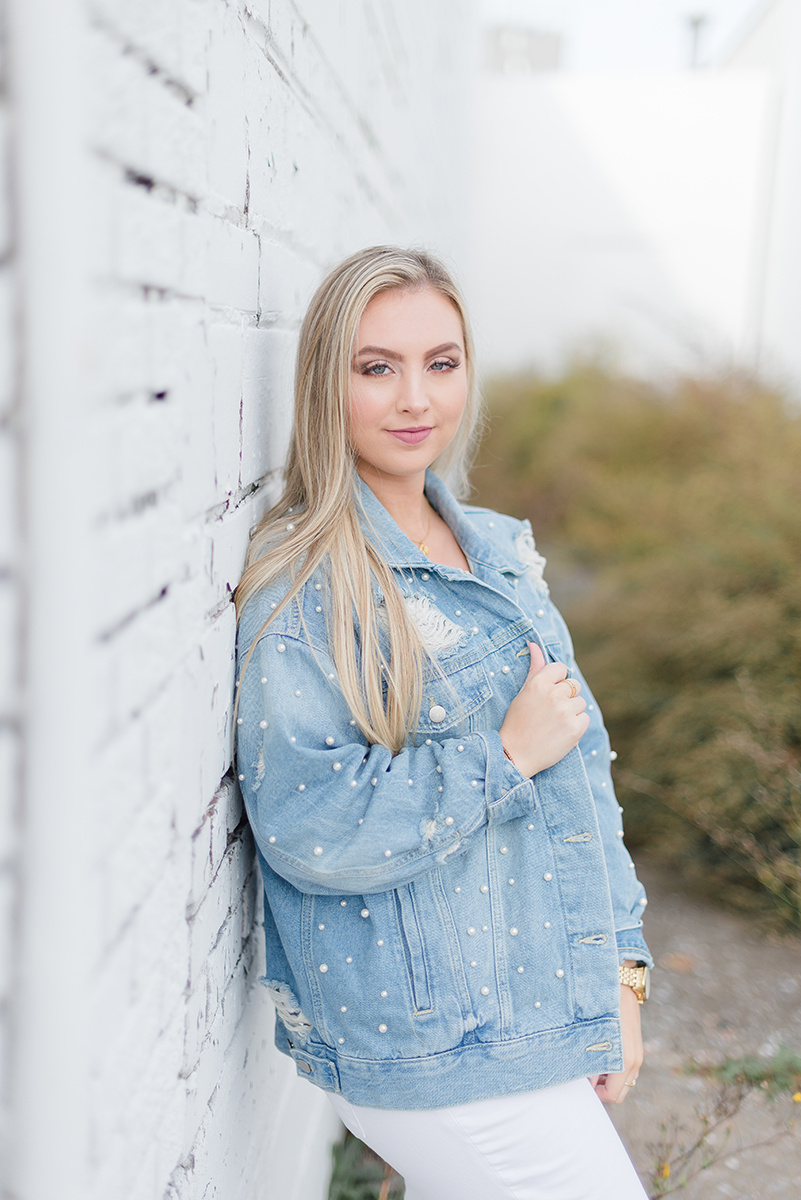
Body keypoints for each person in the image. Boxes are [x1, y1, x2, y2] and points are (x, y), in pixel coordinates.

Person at [233, 246, 653, 1200]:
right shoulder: (307, 580)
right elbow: (309, 823)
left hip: (539, 1012)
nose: (415, 397)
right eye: (376, 367)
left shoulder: (495, 549)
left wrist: (619, 984)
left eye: (442, 362)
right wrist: (502, 755)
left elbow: (583, 784)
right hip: (433, 1045)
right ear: (324, 383)